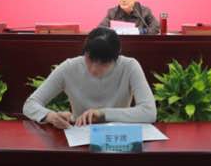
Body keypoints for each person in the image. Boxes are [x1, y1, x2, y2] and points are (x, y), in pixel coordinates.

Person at [22, 26, 156, 128]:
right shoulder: (69, 67)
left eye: (103, 63)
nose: (94, 69)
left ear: (116, 57)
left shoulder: (129, 66)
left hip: (118, 138)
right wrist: (50, 116)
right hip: (80, 136)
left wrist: (102, 114)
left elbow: (149, 112)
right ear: (85, 52)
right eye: (90, 60)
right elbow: (30, 105)